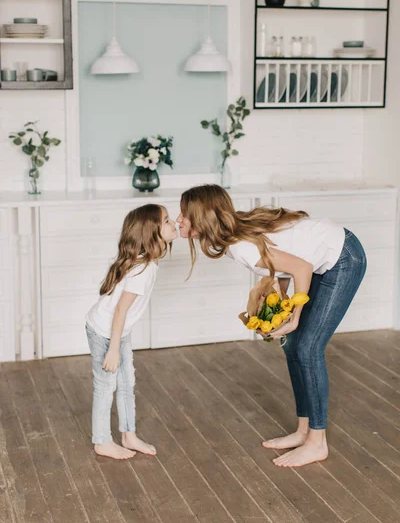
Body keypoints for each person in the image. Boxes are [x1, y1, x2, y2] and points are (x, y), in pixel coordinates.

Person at [177, 184, 366, 468]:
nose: (178, 219)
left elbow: (302, 267)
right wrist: (278, 308)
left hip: (343, 257)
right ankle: (304, 430)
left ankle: (317, 443)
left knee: (307, 348)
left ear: (202, 218)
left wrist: (295, 317)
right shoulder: (232, 239)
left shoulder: (241, 248)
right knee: (293, 346)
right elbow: (285, 264)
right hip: (324, 259)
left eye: (184, 215)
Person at [85, 203, 178, 460]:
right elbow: (119, 312)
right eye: (167, 221)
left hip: (116, 330)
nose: (174, 224)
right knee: (106, 385)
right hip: (104, 331)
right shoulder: (143, 269)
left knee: (127, 382)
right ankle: (102, 441)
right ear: (151, 233)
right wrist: (113, 349)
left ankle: (129, 434)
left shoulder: (147, 261)